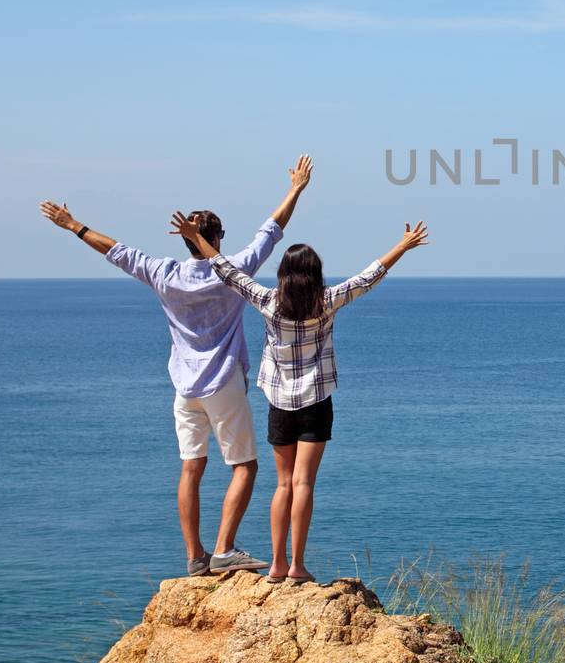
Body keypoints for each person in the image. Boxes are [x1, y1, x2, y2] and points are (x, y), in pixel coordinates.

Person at [37, 155, 314, 576]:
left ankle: (195, 557)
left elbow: (115, 250)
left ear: (186, 241)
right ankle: (224, 549)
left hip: (184, 388)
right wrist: (295, 188)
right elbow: (272, 230)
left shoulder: (164, 273)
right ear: (218, 238)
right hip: (223, 384)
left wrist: (73, 225)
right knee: (245, 466)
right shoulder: (232, 271)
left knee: (191, 468)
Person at [170, 208, 430, 585]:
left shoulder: (269, 301)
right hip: (316, 401)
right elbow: (370, 276)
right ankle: (297, 566)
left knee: (282, 484)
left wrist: (196, 239)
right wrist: (402, 246)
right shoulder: (327, 301)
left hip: (279, 403)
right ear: (315, 274)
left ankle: (276, 564)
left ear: (284, 274)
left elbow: (225, 269)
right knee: (304, 484)